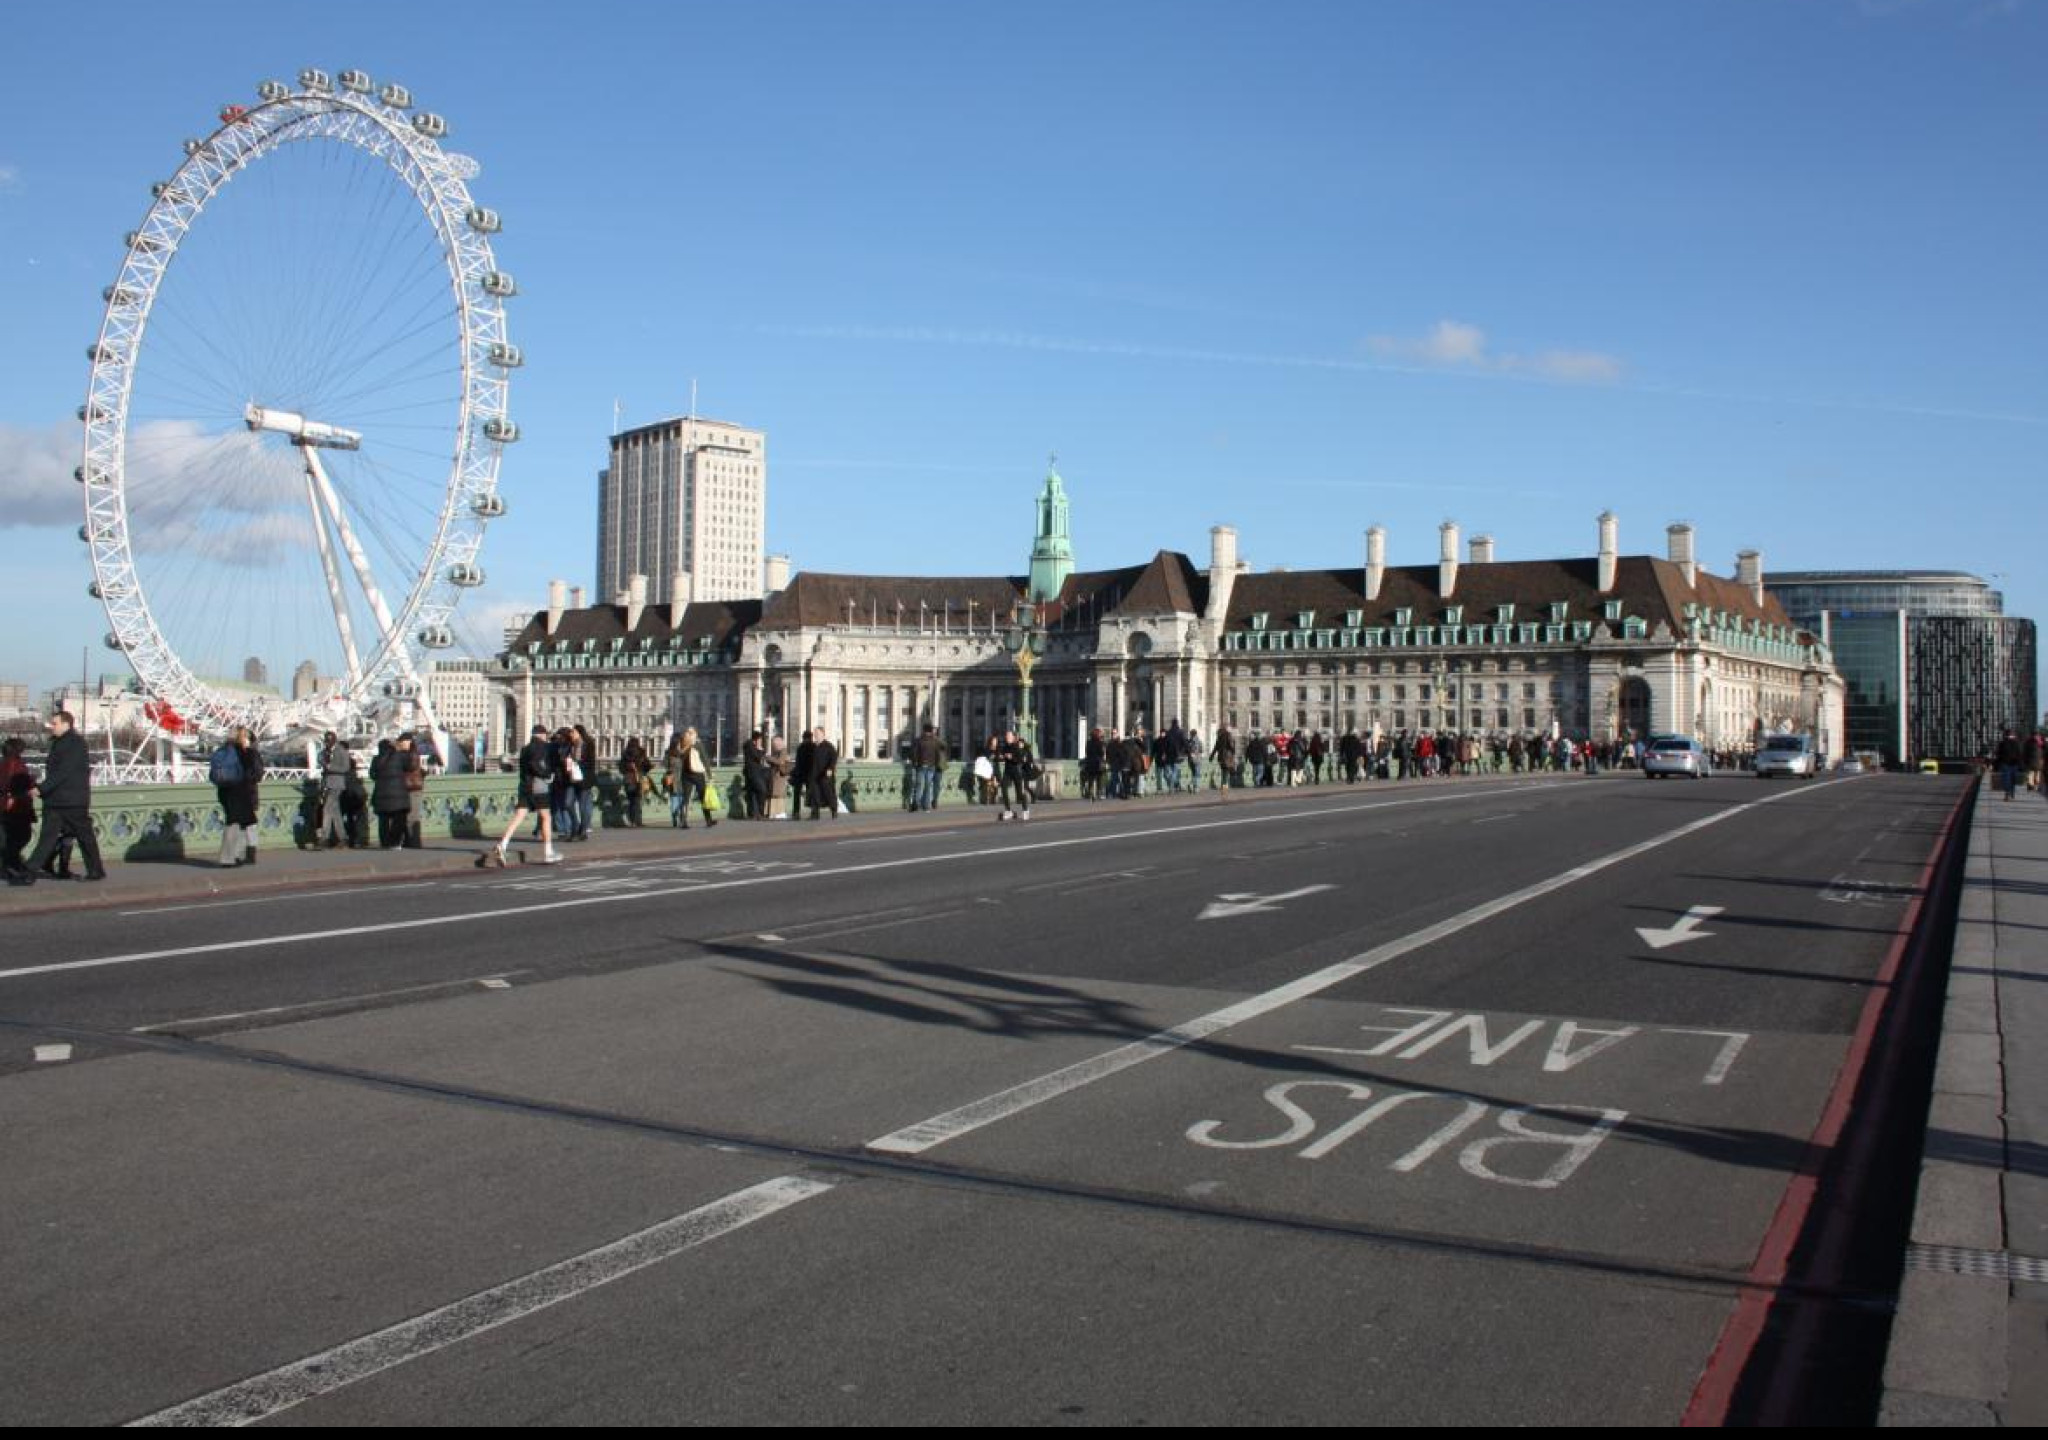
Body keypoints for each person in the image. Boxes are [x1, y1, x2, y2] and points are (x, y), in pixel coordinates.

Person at [11, 711, 107, 886]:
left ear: (66, 724)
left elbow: (63, 772)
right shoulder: (63, 742)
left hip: (70, 801)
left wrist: (41, 789)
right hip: (60, 800)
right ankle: (30, 873)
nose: (51, 726)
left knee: (83, 836)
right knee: (50, 837)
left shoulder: (75, 743)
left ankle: (95, 870)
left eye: (55, 723)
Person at [480, 724, 561, 866]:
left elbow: (526, 767)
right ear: (542, 735)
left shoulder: (525, 749)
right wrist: (547, 774)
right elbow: (536, 765)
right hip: (538, 786)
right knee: (546, 817)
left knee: (519, 816)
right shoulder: (543, 747)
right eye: (545, 735)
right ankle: (548, 852)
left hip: (524, 787)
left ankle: (503, 844)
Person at [210, 725, 263, 868]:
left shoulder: (223, 750)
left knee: (236, 822)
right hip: (240, 792)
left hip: (225, 791)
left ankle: (236, 855)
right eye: (246, 736)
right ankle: (228, 858)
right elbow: (255, 773)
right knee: (234, 824)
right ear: (242, 737)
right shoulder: (244, 753)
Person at [2, 737, 37, 876]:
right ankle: (11, 863)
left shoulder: (4, 763)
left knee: (11, 837)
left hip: (8, 806)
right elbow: (17, 784)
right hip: (17, 806)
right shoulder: (16, 764)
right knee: (22, 836)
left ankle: (11, 863)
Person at [317, 732, 353, 849]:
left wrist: (330, 767)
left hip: (337, 784)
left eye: (329, 741)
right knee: (335, 812)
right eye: (326, 741)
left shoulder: (341, 751)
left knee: (327, 809)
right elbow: (320, 758)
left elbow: (346, 768)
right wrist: (323, 760)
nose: (327, 743)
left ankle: (324, 838)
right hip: (327, 783)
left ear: (334, 740)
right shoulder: (325, 751)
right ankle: (343, 838)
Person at [996, 727, 1036, 821]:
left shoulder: (1017, 747)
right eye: (1006, 736)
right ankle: (1008, 810)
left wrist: (1012, 757)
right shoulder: (1005, 746)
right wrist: (1001, 756)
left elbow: (1021, 760)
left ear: (1013, 738)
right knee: (1004, 787)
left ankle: (1025, 810)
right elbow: (1000, 756)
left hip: (1017, 771)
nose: (1007, 738)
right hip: (1007, 771)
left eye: (1009, 736)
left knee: (1020, 794)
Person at [806, 728, 839, 819]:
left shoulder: (828, 746)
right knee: (815, 794)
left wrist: (830, 768)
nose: (815, 735)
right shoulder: (813, 747)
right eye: (815, 733)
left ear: (823, 734)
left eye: (817, 733)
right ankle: (815, 814)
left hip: (825, 775)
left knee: (828, 793)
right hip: (814, 774)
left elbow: (834, 757)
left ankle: (834, 810)